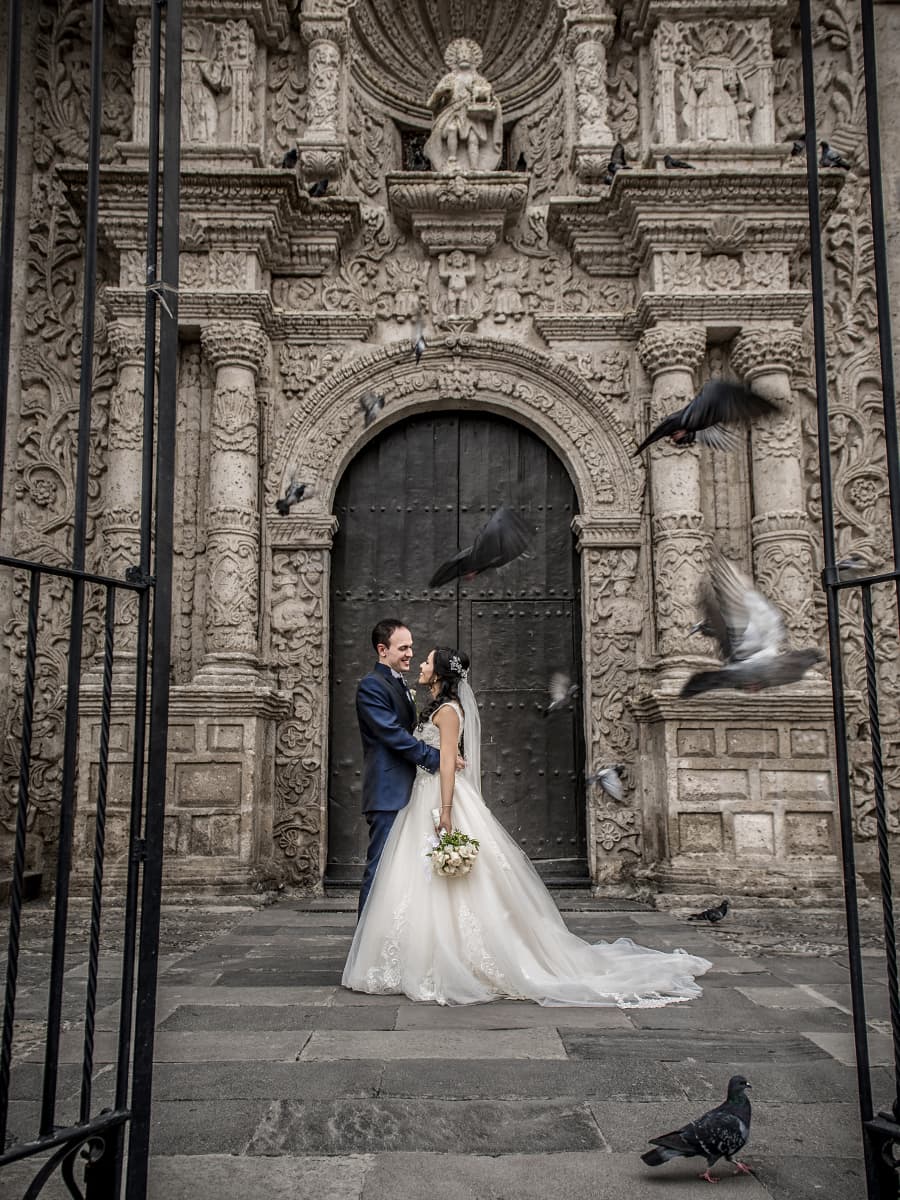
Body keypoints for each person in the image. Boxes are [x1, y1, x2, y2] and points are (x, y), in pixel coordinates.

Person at [343, 647, 712, 1007]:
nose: (419, 662)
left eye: (426, 660)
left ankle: (454, 957)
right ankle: (418, 952)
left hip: (438, 801)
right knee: (416, 880)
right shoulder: (436, 707)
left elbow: (446, 767)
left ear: (439, 673)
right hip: (418, 797)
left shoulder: (449, 712)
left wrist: (445, 811)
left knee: (448, 884)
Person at [354, 619, 443, 918]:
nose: (410, 654)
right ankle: (362, 949)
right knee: (380, 870)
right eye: (403, 648)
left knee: (400, 873)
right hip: (387, 791)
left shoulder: (398, 682)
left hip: (407, 789)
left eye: (411, 647)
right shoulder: (371, 686)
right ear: (383, 650)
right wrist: (435, 758)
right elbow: (392, 734)